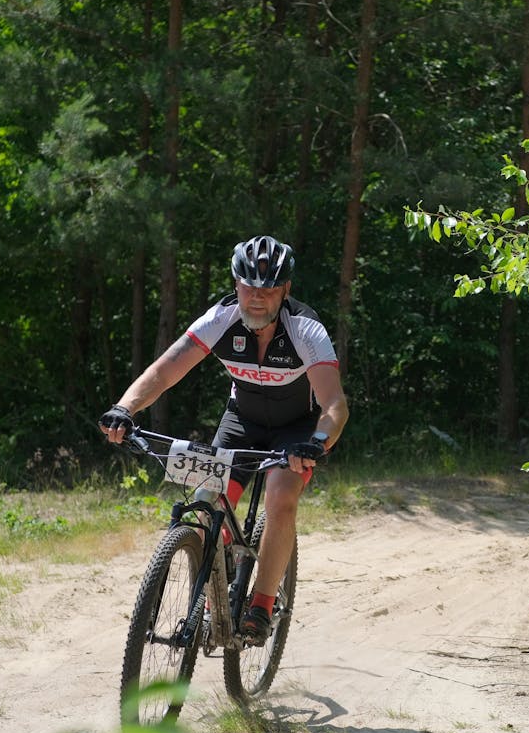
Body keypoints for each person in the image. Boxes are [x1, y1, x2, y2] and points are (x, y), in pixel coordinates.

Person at [99, 235, 349, 646]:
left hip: (296, 429)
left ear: (285, 290)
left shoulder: (305, 328)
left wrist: (319, 441)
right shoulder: (221, 319)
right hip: (242, 422)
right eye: (248, 287)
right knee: (204, 507)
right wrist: (125, 408)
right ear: (235, 284)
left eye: (268, 290)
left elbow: (334, 402)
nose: (256, 298)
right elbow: (165, 371)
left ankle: (262, 605)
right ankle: (215, 584)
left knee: (281, 495)